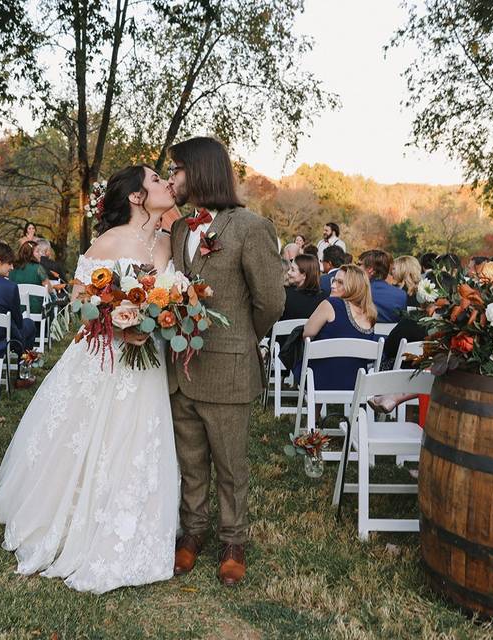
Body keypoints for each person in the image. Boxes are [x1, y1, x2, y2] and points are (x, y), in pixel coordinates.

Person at [0, 164, 180, 594]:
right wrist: (118, 322)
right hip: (108, 356)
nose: (164, 184)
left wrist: (159, 317)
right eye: (154, 180)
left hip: (149, 358)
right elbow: (81, 301)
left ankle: (135, 518)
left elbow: (170, 294)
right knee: (92, 435)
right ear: (136, 197)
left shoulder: (170, 244)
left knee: (138, 437)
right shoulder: (109, 242)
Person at [166, 137, 285, 587]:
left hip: (230, 367)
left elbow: (271, 301)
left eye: (177, 169)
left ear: (199, 172)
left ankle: (233, 541)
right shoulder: (179, 230)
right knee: (191, 460)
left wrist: (242, 338)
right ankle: (193, 532)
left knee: (231, 465)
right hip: (183, 368)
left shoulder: (251, 227)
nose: (172, 178)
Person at [293, 264, 377, 390]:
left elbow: (307, 334)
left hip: (319, 379)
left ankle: (315, 409)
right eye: (334, 280)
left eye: (340, 282)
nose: (332, 285)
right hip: (355, 382)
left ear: (353, 286)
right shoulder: (370, 314)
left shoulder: (331, 304)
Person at [359, 249, 407, 322]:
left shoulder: (357, 292)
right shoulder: (401, 295)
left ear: (370, 270)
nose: (356, 268)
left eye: (359, 265)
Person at [8, 241, 50, 315]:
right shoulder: (38, 268)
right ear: (29, 254)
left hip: (16, 309)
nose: (40, 254)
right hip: (35, 310)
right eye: (37, 252)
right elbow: (49, 289)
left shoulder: (12, 268)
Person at [281, 255, 325, 320]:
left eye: (292, 270)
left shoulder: (285, 294)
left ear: (304, 275)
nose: (288, 272)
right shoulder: (323, 298)